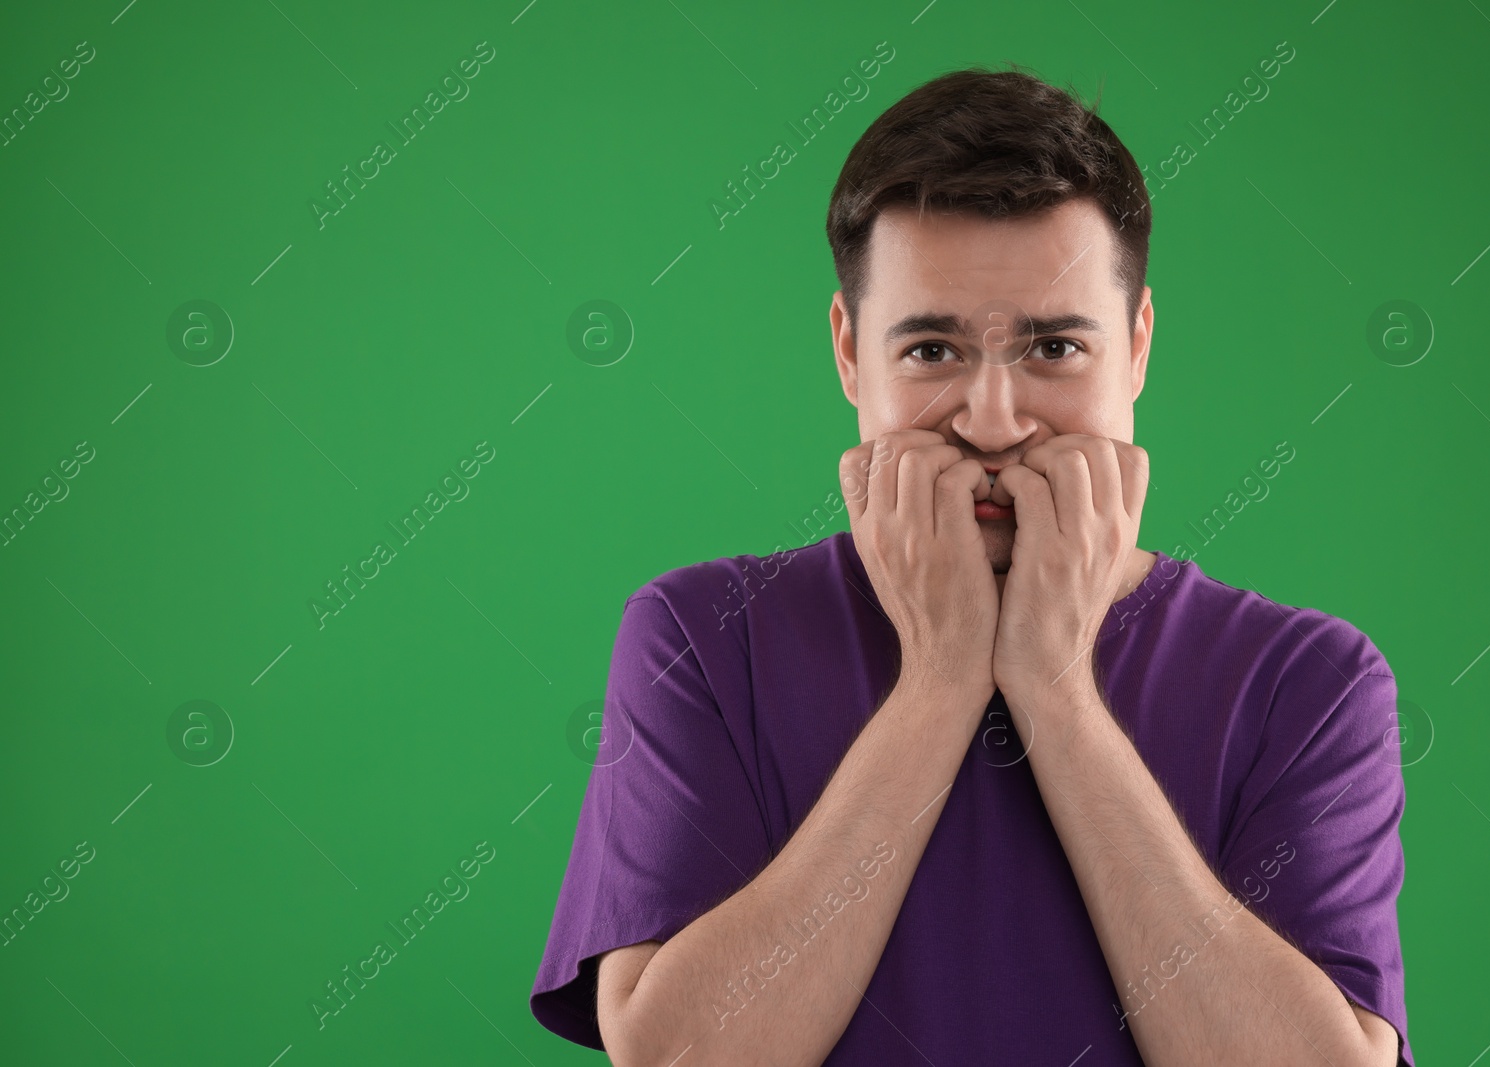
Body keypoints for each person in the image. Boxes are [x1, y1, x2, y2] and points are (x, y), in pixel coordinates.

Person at [529, 65, 1411, 1066]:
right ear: (850, 353)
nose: (992, 420)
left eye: (1053, 345)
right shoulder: (699, 636)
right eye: (932, 351)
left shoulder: (1309, 677)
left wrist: (1055, 689)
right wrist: (943, 675)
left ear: (1136, 347)